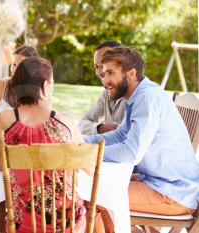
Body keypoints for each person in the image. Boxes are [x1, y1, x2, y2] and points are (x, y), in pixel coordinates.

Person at [83, 46, 199, 230]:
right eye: (103, 74)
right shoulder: (140, 96)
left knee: (94, 194)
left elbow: (130, 153)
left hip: (173, 193)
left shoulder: (147, 99)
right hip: (161, 184)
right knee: (92, 186)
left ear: (131, 73)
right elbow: (121, 134)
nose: (105, 81)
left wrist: (86, 152)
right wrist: (80, 143)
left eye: (110, 73)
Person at [0, 57, 88, 232]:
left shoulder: (5, 119)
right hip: (66, 223)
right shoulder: (65, 123)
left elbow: (1, 165)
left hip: (24, 223)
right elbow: (89, 167)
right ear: (45, 86)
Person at [0, 45, 39, 132]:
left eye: (21, 66)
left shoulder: (38, 88)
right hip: (1, 138)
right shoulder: (0, 85)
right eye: (14, 64)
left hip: (28, 138)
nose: (15, 70)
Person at [78, 41, 126, 135]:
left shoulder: (138, 95)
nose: (99, 72)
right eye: (96, 67)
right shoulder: (106, 93)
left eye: (103, 65)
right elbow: (82, 124)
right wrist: (100, 128)